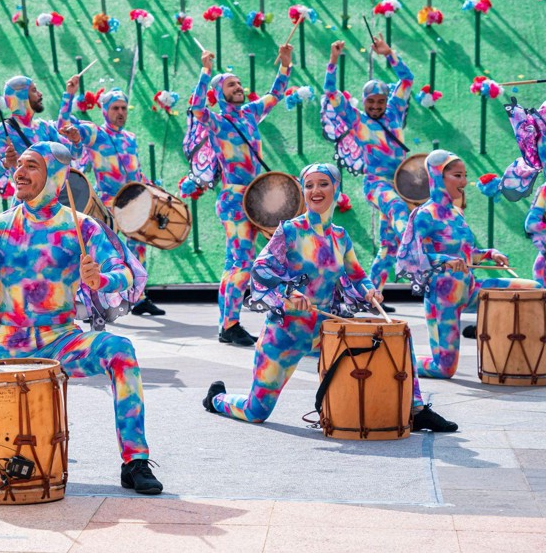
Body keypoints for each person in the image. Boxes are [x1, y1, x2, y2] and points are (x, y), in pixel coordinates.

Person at [0, 142, 162, 495]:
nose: (20, 171)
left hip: (63, 340)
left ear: (54, 177)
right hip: (11, 349)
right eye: (20, 165)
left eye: (32, 166)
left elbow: (122, 273)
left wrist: (100, 280)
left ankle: (134, 460)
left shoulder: (82, 227)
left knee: (121, 350)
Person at [203, 163, 457, 432]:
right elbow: (261, 270)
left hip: (328, 330)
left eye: (323, 184)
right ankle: (217, 399)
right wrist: (291, 291)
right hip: (285, 333)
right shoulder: (289, 231)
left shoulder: (340, 237)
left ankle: (415, 408)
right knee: (257, 411)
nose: (315, 190)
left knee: (395, 336)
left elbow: (358, 276)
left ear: (336, 188)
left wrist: (370, 291)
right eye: (309, 185)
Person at [397, 150, 539, 378]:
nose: (464, 182)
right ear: (437, 177)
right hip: (442, 300)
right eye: (457, 175)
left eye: (464, 175)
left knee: (532, 288)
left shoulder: (456, 213)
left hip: (470, 289)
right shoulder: (424, 215)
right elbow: (411, 257)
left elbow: (465, 254)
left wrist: (489, 253)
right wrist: (444, 260)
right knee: (445, 369)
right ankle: (399, 358)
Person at [185, 44, 293, 345]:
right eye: (231, 84)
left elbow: (275, 96)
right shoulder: (218, 122)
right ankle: (229, 324)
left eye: (238, 83)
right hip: (234, 201)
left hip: (258, 199)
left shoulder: (249, 113)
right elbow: (196, 109)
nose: (238, 87)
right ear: (220, 93)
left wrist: (285, 66)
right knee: (240, 263)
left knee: (239, 263)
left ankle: (229, 323)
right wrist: (206, 71)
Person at [59, 81, 165, 316]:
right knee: (101, 252)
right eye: (115, 108)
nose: (120, 113)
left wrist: (150, 188)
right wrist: (69, 95)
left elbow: (134, 171)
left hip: (134, 204)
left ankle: (138, 298)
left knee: (138, 250)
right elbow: (65, 126)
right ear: (105, 111)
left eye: (124, 108)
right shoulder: (96, 133)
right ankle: (94, 301)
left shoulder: (130, 138)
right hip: (106, 205)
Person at [320, 37, 413, 300]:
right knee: (397, 209)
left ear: (386, 101)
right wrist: (333, 61)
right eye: (370, 102)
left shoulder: (395, 110)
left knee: (388, 246)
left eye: (379, 102)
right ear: (363, 102)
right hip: (376, 183)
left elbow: (406, 79)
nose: (375, 107)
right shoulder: (357, 120)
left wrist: (389, 53)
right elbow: (331, 94)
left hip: (400, 183)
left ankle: (370, 296)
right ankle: (414, 247)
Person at [0, 76, 81, 208]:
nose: (40, 94)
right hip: (27, 206)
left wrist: (76, 141)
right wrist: (5, 163)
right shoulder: (3, 131)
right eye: (34, 90)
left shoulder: (44, 127)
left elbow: (73, 155)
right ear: (22, 97)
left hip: (56, 202)